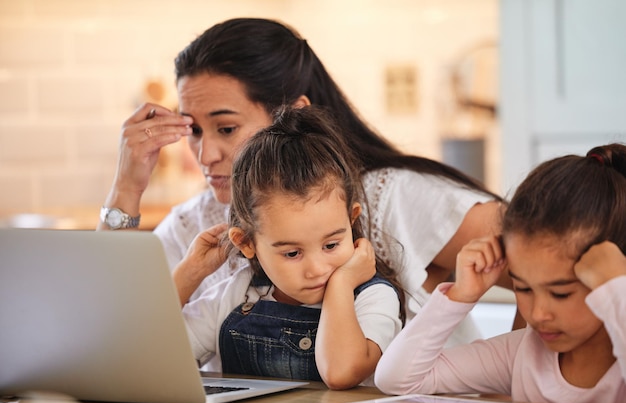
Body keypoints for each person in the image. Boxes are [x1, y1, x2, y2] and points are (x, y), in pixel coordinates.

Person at [98, 17, 512, 344]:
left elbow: (542, 248)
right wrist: (127, 188)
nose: (206, 155)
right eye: (194, 131)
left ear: (293, 115)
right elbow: (107, 332)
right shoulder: (198, 224)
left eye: (225, 129)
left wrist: (522, 380)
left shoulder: (391, 196)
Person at [374, 144, 626, 403]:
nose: (538, 314)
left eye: (560, 293)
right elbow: (396, 379)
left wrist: (617, 287)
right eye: (523, 289)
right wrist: (460, 295)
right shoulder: (521, 354)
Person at [175, 105, 403, 389]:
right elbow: (152, 361)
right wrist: (186, 276)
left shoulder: (372, 298)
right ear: (246, 243)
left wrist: (342, 284)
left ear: (351, 219)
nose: (317, 269)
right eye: (293, 253)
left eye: (331, 245)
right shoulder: (237, 295)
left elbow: (341, 372)